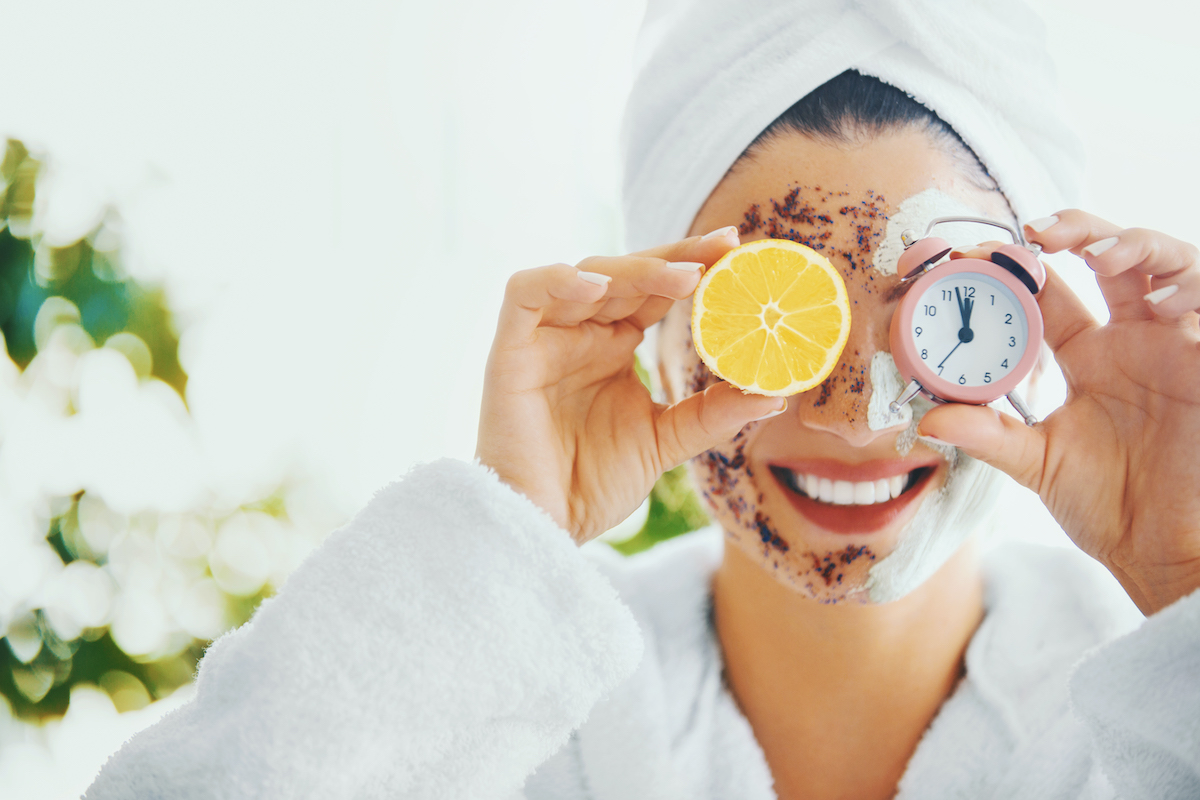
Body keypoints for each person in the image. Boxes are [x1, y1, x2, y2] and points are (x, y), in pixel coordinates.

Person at [87, 1, 1199, 799]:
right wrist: (492, 554)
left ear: (1031, 312)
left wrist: (1188, 581)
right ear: (667, 308)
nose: (858, 413)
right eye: (779, 309)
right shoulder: (502, 702)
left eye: (941, 319)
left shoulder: (1155, 699)